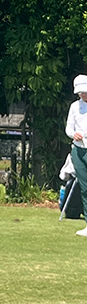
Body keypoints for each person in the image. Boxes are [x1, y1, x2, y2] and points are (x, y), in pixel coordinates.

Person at [65, 74, 87, 236]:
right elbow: (68, 129)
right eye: (80, 92)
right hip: (79, 151)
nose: (83, 95)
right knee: (85, 189)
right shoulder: (74, 107)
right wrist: (74, 135)